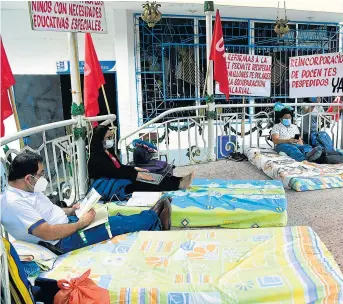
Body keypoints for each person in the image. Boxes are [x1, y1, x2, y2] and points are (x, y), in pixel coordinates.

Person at [0, 152, 172, 253]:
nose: (44, 178)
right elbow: (48, 233)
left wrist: (72, 210)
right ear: (28, 178)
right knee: (115, 224)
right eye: (41, 174)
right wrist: (83, 223)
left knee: (107, 215)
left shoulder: (27, 189)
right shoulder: (14, 204)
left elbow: (46, 212)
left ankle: (149, 217)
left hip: (66, 226)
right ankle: (155, 220)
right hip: (60, 243)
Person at [88, 124, 194, 193]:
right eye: (108, 138)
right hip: (113, 186)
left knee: (151, 176)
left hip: (119, 178)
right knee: (146, 182)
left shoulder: (108, 152)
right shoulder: (97, 157)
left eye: (111, 137)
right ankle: (178, 185)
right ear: (99, 139)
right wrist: (137, 174)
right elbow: (115, 172)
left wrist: (135, 169)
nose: (111, 140)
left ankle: (178, 180)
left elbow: (119, 168)